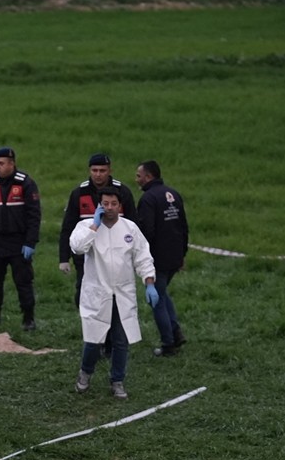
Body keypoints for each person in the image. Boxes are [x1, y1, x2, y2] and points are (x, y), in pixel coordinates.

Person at [69, 187, 157, 400]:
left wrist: (149, 282)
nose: (109, 208)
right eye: (105, 204)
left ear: (120, 205)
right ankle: (85, 373)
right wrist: (94, 226)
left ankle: (117, 380)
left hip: (122, 294)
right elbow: (77, 247)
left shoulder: (130, 228)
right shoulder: (86, 226)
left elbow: (142, 257)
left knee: (120, 340)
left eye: (113, 204)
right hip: (98, 293)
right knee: (93, 339)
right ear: (99, 205)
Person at [0, 146, 41, 330]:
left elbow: (34, 215)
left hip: (18, 243)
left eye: (1, 163)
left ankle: (28, 319)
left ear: (12, 164)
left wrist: (30, 242)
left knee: (23, 281)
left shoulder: (25, 184)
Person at [58, 153, 136, 306]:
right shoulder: (79, 193)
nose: (98, 175)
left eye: (102, 170)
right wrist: (63, 258)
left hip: (116, 254)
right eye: (94, 170)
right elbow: (68, 227)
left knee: (115, 297)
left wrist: (134, 253)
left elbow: (134, 225)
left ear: (110, 171)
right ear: (89, 171)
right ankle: (88, 326)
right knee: (84, 293)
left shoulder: (122, 192)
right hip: (87, 255)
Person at [134, 160, 189, 357]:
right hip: (175, 256)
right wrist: (182, 253)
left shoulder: (148, 199)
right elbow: (183, 226)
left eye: (139, 175)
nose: (136, 179)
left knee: (156, 300)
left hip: (157, 258)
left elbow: (146, 231)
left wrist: (142, 257)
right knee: (162, 293)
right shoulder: (173, 194)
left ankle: (168, 344)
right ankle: (176, 332)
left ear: (148, 177)